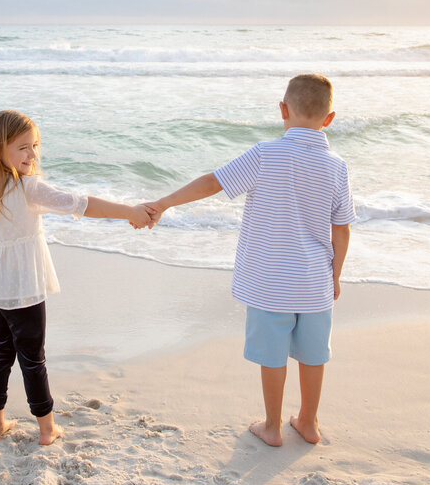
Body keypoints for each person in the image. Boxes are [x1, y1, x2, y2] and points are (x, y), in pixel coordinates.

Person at [143, 73, 354, 446]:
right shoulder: (337, 166)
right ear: (329, 118)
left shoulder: (265, 154)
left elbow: (213, 182)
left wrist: (163, 203)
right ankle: (308, 422)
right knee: (313, 354)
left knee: (272, 355)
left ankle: (272, 427)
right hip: (314, 282)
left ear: (283, 110)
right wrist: (334, 276)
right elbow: (342, 229)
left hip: (269, 282)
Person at [0, 109, 154, 446]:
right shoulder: (28, 189)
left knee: (0, 354)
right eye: (23, 147)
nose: (33, 154)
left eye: (35, 145)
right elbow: (79, 204)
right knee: (33, 359)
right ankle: (47, 430)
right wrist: (128, 211)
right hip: (25, 292)